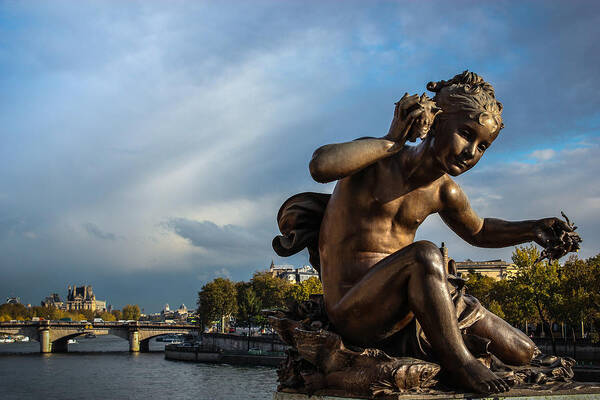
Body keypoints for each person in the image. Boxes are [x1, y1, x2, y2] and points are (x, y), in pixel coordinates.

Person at [275, 71, 575, 394]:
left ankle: (452, 344)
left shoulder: (445, 192)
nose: (471, 151)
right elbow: (319, 165)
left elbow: (480, 230)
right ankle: (461, 363)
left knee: (526, 353)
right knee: (424, 255)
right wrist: (391, 142)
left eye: (483, 146)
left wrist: (533, 229)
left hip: (410, 301)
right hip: (354, 306)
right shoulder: (375, 160)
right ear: (436, 122)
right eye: (465, 133)